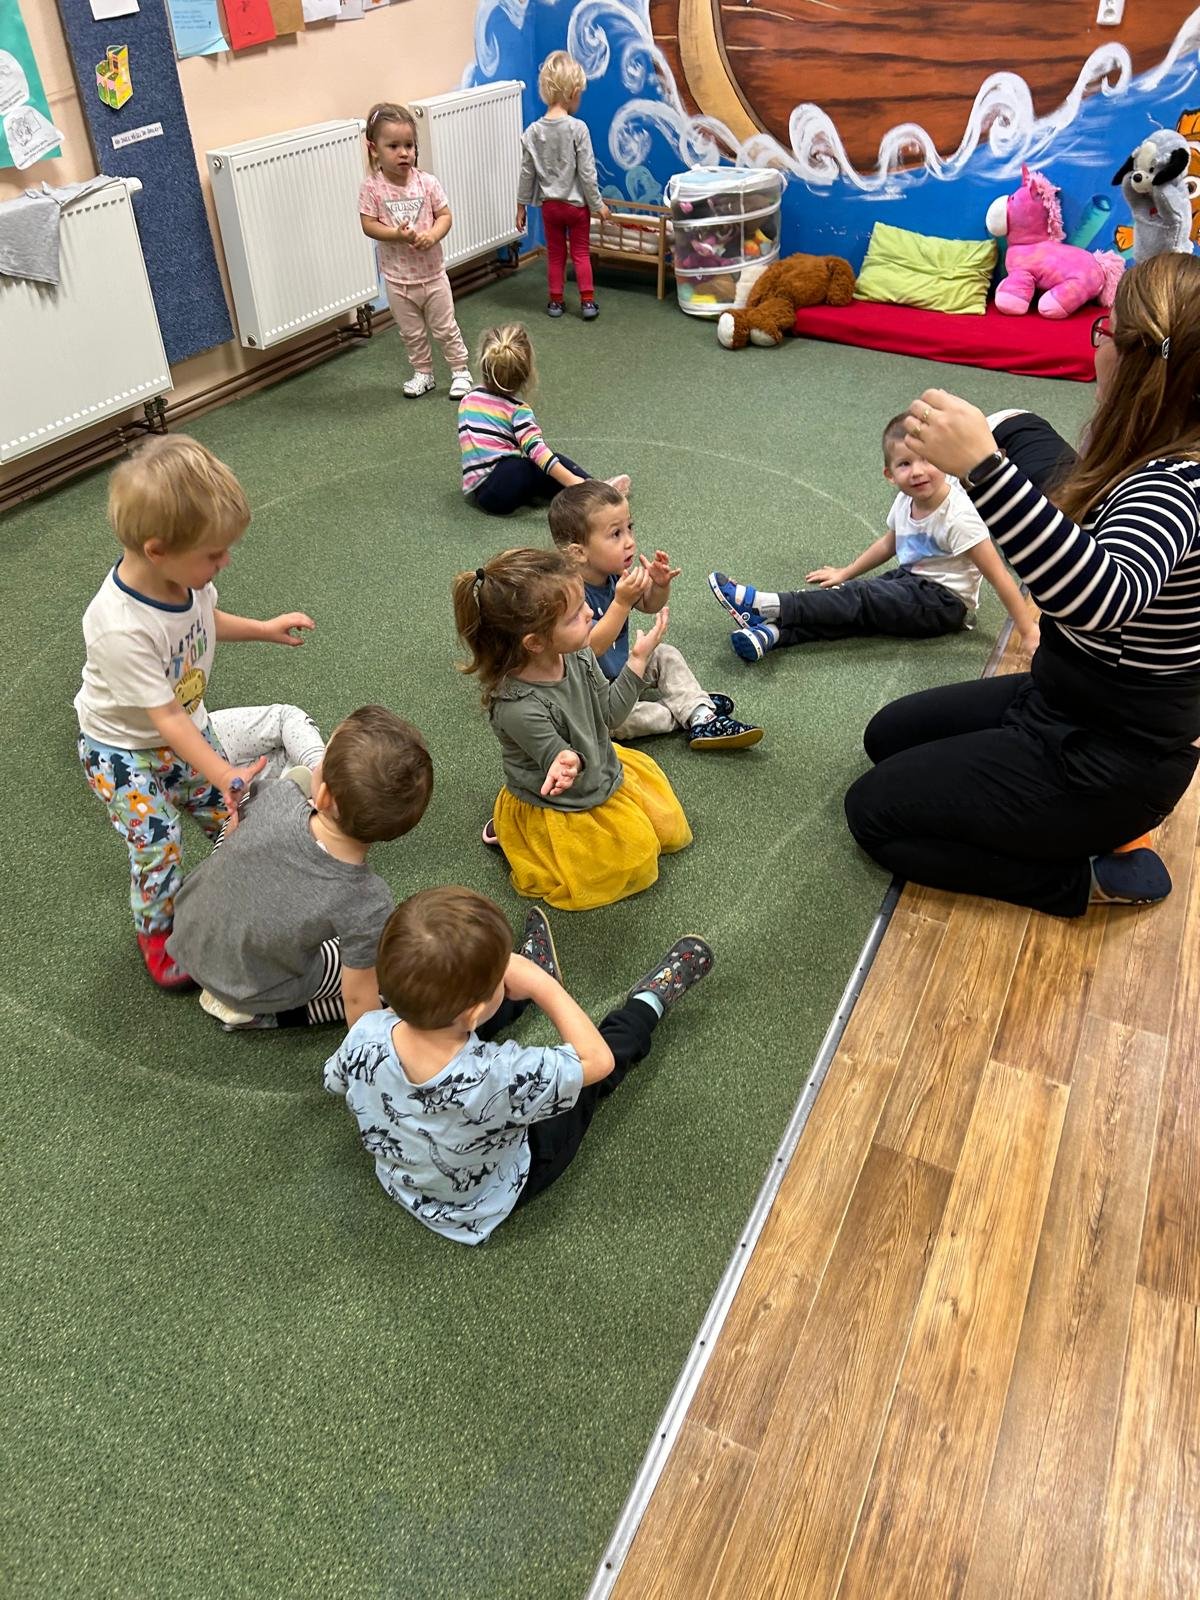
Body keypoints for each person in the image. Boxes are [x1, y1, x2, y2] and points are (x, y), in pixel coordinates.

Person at [844, 252, 1200, 916]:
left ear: (1133, 359)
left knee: (873, 814)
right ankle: (1083, 824)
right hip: (1066, 699)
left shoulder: (1177, 486)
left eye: (1102, 331)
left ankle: (1085, 878)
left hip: (1107, 758)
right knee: (886, 737)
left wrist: (984, 467)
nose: (1095, 344)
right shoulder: (1161, 449)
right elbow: (1067, 489)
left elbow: (1101, 597)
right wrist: (1006, 425)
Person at [323, 886, 713, 1244]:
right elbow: (597, 1061)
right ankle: (648, 1003)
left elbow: (335, 1080)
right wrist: (543, 987)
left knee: (443, 1025)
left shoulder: (366, 1032)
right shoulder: (503, 1075)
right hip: (491, 1195)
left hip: (403, 1181)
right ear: (474, 1011)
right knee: (588, 1084)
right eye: (502, 977)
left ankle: (506, 995)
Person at [75, 435, 314, 989]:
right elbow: (166, 720)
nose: (225, 561)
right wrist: (225, 771)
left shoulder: (188, 581)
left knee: (225, 812)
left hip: (184, 724)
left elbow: (206, 621)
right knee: (158, 843)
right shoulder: (120, 627)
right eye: (214, 553)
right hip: (121, 751)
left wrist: (264, 629)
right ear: (157, 550)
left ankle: (252, 879)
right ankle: (159, 937)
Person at [452, 547, 692, 910]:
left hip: (598, 762)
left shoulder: (577, 652)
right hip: (564, 797)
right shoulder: (518, 707)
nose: (591, 612)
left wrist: (637, 661)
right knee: (620, 862)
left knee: (660, 823)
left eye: (584, 604)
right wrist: (566, 761)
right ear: (535, 642)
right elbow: (559, 756)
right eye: (576, 614)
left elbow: (609, 715)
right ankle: (519, 833)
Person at [168, 707, 433, 1029]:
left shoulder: (279, 794)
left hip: (187, 930)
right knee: (382, 975)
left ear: (323, 795)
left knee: (237, 825)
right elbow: (357, 999)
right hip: (249, 985)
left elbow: (240, 824)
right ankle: (262, 1014)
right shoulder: (368, 901)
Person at [707, 413, 1040, 662]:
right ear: (890, 475)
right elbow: (890, 543)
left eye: (927, 460)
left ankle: (765, 603)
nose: (918, 471)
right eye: (905, 464)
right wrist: (845, 572)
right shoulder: (906, 500)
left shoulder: (959, 518)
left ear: (944, 461)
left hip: (945, 604)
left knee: (861, 598)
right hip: (912, 582)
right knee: (856, 608)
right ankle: (774, 633)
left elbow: (999, 576)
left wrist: (1027, 631)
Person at [549, 480, 764, 749]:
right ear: (579, 553)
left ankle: (698, 713)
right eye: (616, 534)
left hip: (621, 673)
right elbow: (591, 646)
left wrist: (660, 586)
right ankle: (692, 710)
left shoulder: (613, 574)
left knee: (665, 653)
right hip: (590, 699)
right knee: (619, 723)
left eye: (630, 528)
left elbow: (648, 604)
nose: (629, 542)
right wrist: (621, 603)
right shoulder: (567, 594)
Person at [358, 101, 473, 400]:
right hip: (398, 280)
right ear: (374, 149)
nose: (404, 153)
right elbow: (368, 225)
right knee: (411, 332)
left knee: (445, 327)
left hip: (432, 275)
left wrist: (433, 235)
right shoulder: (372, 188)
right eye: (393, 146)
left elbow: (445, 215)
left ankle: (460, 370)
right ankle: (423, 373)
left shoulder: (427, 183)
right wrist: (395, 235)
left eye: (409, 145)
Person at [458, 322, 630, 515]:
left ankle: (579, 491)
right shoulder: (517, 410)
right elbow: (536, 450)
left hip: (479, 492)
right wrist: (574, 480)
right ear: (526, 374)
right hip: (503, 487)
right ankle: (591, 491)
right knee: (543, 464)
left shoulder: (468, 399)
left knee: (533, 473)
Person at [516, 50, 610, 320]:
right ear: (572, 93)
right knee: (580, 253)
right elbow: (587, 173)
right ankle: (587, 302)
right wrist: (598, 205)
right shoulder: (578, 129)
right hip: (576, 207)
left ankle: (555, 302)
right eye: (580, 94)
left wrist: (521, 206)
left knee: (556, 255)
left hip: (550, 208)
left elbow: (527, 173)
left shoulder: (533, 132)